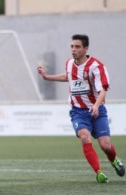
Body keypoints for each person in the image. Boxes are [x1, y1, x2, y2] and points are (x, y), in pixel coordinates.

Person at [37, 34, 125, 183]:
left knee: (105, 146)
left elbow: (103, 89)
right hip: (78, 111)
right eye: (72, 46)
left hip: (97, 110)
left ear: (85, 48)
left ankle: (114, 160)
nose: (73, 49)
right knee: (85, 136)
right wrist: (47, 77)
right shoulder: (69, 63)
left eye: (77, 47)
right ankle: (99, 173)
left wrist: (96, 106)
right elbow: (68, 76)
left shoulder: (96, 66)